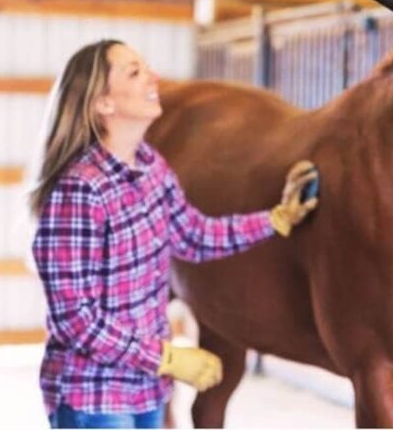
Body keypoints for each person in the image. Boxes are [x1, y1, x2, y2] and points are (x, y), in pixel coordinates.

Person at [29, 39, 318, 429]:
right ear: (103, 104)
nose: (155, 77)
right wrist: (167, 358)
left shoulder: (151, 167)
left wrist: (276, 219)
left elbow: (194, 234)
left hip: (146, 389)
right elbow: (75, 320)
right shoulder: (79, 191)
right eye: (135, 72)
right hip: (94, 397)